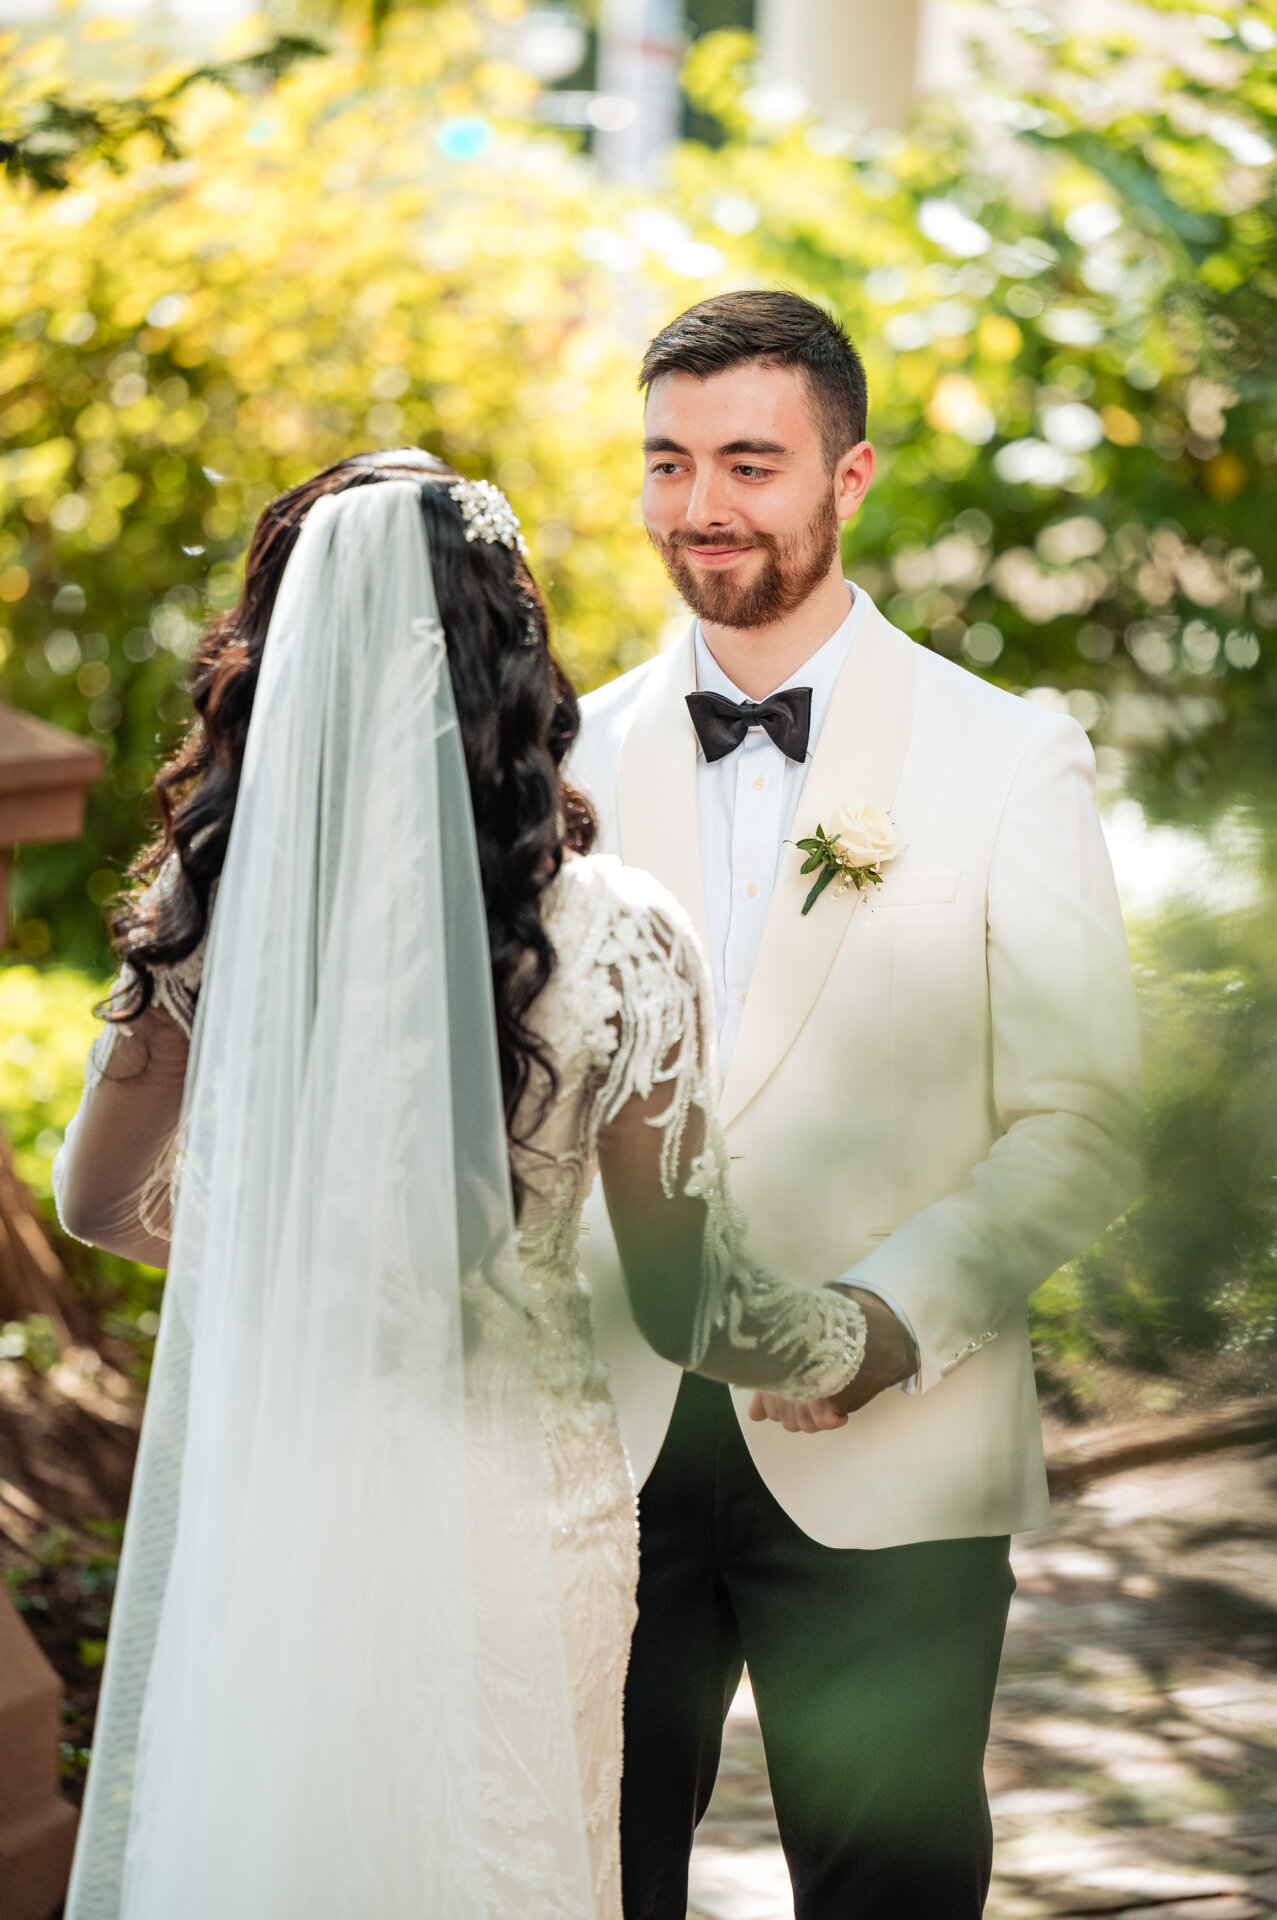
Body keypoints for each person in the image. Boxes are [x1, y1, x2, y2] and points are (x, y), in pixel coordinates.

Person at [52, 452, 869, 1920]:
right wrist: (861, 1337)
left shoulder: (207, 913)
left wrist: (300, 1263)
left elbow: (97, 1204)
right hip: (514, 1500)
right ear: (513, 648)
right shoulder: (615, 934)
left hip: (285, 1485)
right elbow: (694, 1305)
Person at [569, 291, 1144, 1920]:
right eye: (667, 462)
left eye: (749, 461)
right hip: (602, 1450)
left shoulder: (1004, 757)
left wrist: (887, 1318)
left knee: (889, 1887)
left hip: (896, 1448)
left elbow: (1083, 1120)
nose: (701, 508)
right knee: (583, 1879)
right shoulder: (563, 759)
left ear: (852, 474)